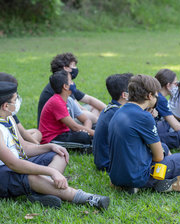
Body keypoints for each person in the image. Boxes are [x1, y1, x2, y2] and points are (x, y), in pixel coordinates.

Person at [0, 79, 109, 209]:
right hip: (4, 172)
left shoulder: (9, 118)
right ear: (6, 106)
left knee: (60, 154)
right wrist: (51, 172)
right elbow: (14, 164)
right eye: (15, 99)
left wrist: (50, 147)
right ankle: (89, 199)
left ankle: (41, 190)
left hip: (18, 164)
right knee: (33, 177)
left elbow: (24, 147)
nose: (18, 101)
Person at [108, 75, 180, 193]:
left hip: (116, 177)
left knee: (163, 146)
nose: (157, 98)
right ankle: (152, 182)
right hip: (137, 177)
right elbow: (158, 156)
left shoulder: (119, 111)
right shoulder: (145, 117)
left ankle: (127, 184)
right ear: (149, 96)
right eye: (156, 95)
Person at [37, 52, 106, 126]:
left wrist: (108, 109)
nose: (76, 68)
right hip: (56, 125)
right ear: (66, 68)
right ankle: (99, 126)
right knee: (89, 116)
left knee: (94, 107)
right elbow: (80, 110)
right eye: (73, 65)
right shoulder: (60, 86)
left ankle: (97, 125)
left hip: (67, 116)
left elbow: (89, 99)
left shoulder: (66, 83)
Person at [39, 70, 94, 145]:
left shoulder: (68, 99)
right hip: (53, 138)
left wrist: (87, 131)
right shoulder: (56, 102)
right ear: (65, 86)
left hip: (65, 133)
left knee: (92, 129)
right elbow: (75, 127)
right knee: (83, 136)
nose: (73, 83)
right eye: (71, 81)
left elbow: (86, 120)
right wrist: (94, 134)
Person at [93, 73, 133, 171]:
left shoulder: (111, 108)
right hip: (109, 164)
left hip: (103, 161)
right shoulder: (119, 115)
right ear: (125, 95)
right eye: (134, 90)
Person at [0, 72, 42, 144]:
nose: (17, 101)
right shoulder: (6, 111)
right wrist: (39, 146)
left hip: (14, 137)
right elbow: (22, 132)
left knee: (36, 133)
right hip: (7, 142)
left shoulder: (10, 115)